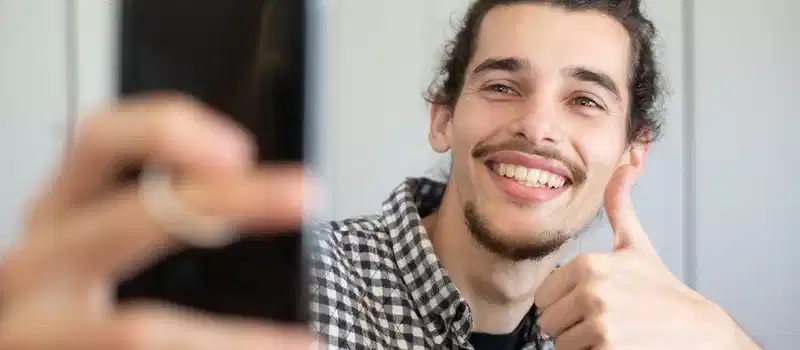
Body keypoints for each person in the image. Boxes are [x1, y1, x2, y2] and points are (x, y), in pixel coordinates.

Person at [0, 0, 764, 350]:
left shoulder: (643, 341)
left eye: (584, 99)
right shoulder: (301, 291)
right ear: (443, 118)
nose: (538, 125)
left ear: (632, 156)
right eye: (502, 84)